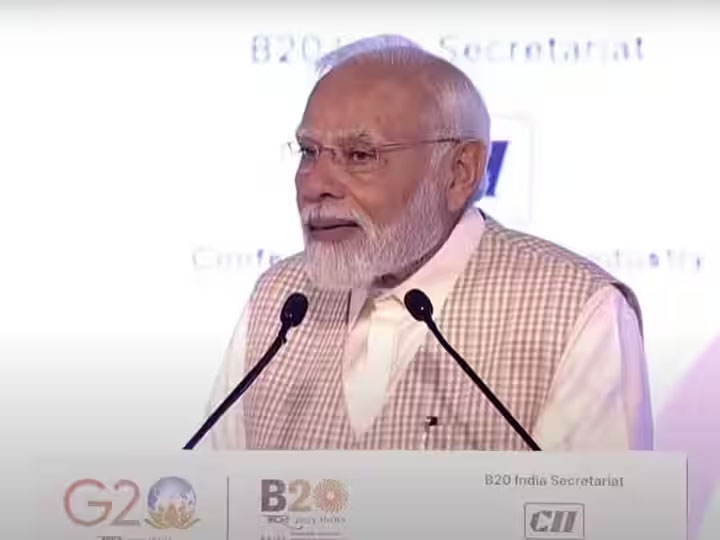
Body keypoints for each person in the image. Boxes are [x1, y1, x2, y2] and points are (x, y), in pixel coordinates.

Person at [205, 35, 653, 451]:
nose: (314, 183)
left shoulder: (574, 308)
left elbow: (598, 504)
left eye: (360, 155)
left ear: (459, 172)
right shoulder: (279, 299)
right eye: (308, 151)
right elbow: (216, 495)